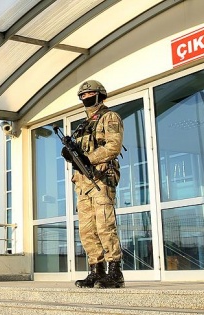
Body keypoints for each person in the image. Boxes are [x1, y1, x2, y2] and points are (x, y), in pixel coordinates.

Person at [62, 80, 124, 289]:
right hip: (83, 184)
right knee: (87, 230)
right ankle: (95, 271)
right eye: (83, 95)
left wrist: (89, 159)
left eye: (90, 94)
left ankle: (114, 272)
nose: (86, 97)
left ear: (100, 95)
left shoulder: (110, 117)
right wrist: (71, 154)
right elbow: (79, 156)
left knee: (105, 225)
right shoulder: (82, 127)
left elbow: (113, 146)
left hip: (101, 179)